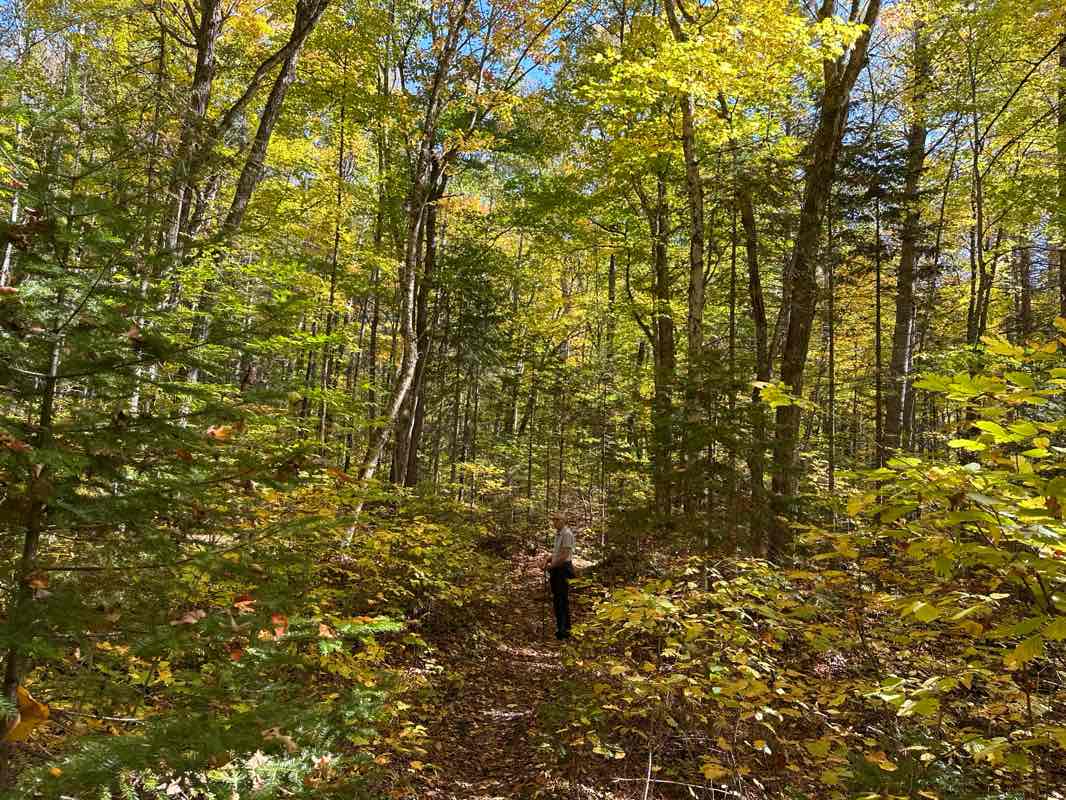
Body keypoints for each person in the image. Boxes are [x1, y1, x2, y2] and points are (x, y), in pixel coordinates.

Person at [541, 512, 575, 640]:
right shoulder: (559, 534)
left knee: (561, 599)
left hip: (563, 569)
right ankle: (562, 628)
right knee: (557, 598)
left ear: (563, 521)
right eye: (553, 519)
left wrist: (552, 565)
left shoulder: (567, 534)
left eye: (557, 520)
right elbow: (557, 553)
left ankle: (564, 630)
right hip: (557, 568)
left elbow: (565, 555)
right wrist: (547, 560)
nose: (554, 522)